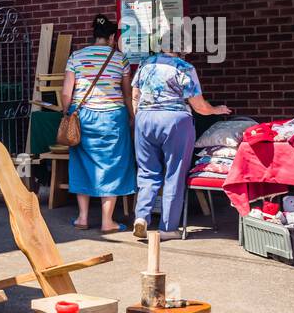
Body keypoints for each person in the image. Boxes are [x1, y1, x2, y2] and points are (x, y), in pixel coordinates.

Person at [131, 48, 231, 240]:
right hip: (175, 120)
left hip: (145, 118)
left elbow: (135, 95)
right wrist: (217, 109)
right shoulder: (185, 68)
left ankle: (142, 216)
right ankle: (167, 228)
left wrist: (140, 116)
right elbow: (200, 106)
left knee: (147, 171)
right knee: (174, 173)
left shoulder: (145, 64)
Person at [62, 14, 135, 232]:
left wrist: (68, 112)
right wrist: (131, 115)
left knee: (82, 164)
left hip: (82, 115)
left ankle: (82, 218)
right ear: (112, 36)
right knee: (112, 165)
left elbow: (67, 92)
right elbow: (127, 93)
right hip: (113, 117)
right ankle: (107, 221)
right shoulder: (120, 59)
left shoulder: (76, 56)